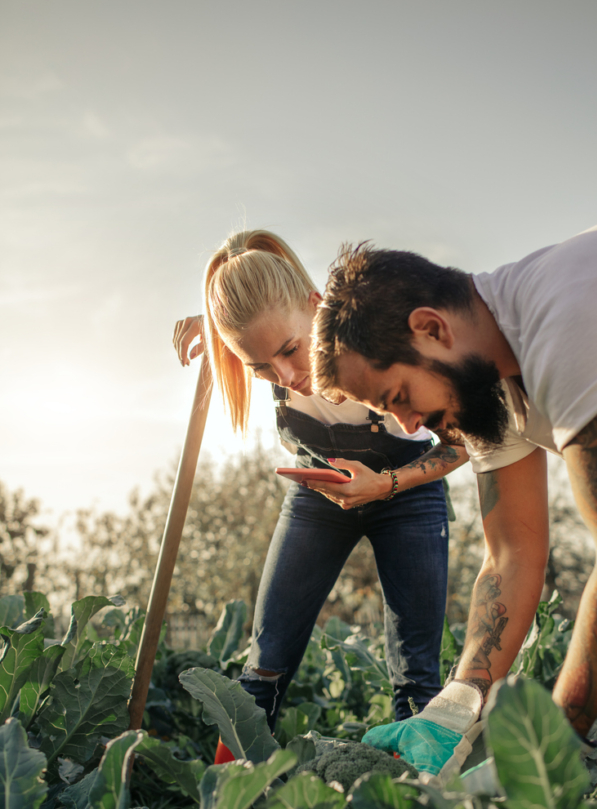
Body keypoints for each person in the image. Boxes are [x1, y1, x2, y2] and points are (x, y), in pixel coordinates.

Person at [310, 212, 597, 773]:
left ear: (432, 328)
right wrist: (454, 708)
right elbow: (512, 553)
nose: (411, 426)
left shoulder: (566, 319)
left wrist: (543, 758)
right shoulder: (488, 384)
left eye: (399, 396)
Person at [173, 229, 469, 740]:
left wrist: (385, 484)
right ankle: (229, 794)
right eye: (260, 367)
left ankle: (423, 798)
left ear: (317, 307)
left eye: (291, 349)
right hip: (318, 497)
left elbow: (460, 445)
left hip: (408, 494)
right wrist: (220, 330)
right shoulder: (270, 346)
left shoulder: (382, 337)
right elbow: (261, 334)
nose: (284, 375)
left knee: (417, 673)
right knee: (264, 664)